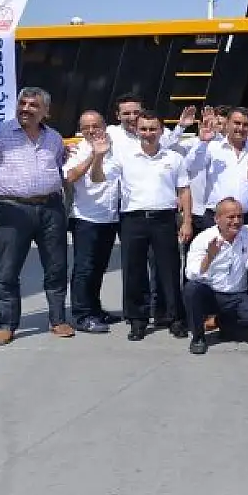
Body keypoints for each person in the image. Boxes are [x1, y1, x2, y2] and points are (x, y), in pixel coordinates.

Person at [94, 111, 193, 341]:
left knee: (169, 270)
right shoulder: (124, 156)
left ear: (161, 131)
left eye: (153, 129)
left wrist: (187, 221)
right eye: (144, 129)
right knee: (133, 271)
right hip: (133, 219)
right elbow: (98, 178)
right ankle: (137, 320)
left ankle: (174, 318)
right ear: (137, 130)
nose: (148, 133)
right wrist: (98, 157)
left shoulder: (173, 158)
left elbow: (184, 190)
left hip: (164, 219)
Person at [0, 87, 72, 344]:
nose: (25, 108)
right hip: (12, 209)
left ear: (45, 111)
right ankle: (7, 324)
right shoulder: (0, 133)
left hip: (51, 209)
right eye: (22, 103)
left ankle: (58, 320)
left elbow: (60, 167)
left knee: (56, 267)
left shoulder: (54, 138)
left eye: (33, 105)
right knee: (8, 270)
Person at [181, 198, 248, 354]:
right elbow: (191, 274)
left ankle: (224, 322)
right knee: (192, 289)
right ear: (217, 219)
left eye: (239, 216)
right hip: (211, 293)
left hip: (236, 295)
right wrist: (209, 257)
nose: (236, 221)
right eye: (231, 217)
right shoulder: (203, 239)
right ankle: (198, 338)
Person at [63, 110, 123, 333]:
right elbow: (70, 177)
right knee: (84, 269)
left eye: (95, 125)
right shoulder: (77, 150)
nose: (91, 130)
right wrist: (93, 155)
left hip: (110, 218)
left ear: (105, 125)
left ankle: (95, 310)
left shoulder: (116, 144)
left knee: (99, 268)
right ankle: (81, 315)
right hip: (86, 219)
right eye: (86, 127)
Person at [186, 106, 248, 225]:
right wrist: (203, 142)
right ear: (227, 124)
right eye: (237, 123)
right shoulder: (212, 146)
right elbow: (191, 167)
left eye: (246, 125)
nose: (241, 128)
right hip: (216, 217)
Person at [106, 93, 191, 158]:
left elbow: (171, 148)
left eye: (136, 112)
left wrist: (181, 126)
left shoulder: (156, 130)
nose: (132, 117)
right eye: (126, 114)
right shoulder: (110, 133)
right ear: (118, 115)